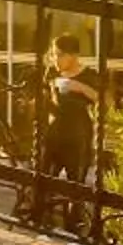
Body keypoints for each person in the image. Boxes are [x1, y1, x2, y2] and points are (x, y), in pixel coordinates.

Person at [38, 37, 99, 228]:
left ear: (73, 56)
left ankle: (74, 224)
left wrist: (79, 87)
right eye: (53, 54)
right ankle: (42, 218)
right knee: (44, 178)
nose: (55, 59)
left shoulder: (89, 75)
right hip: (54, 133)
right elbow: (46, 101)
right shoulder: (51, 73)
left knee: (76, 184)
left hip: (77, 135)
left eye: (59, 55)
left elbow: (102, 100)